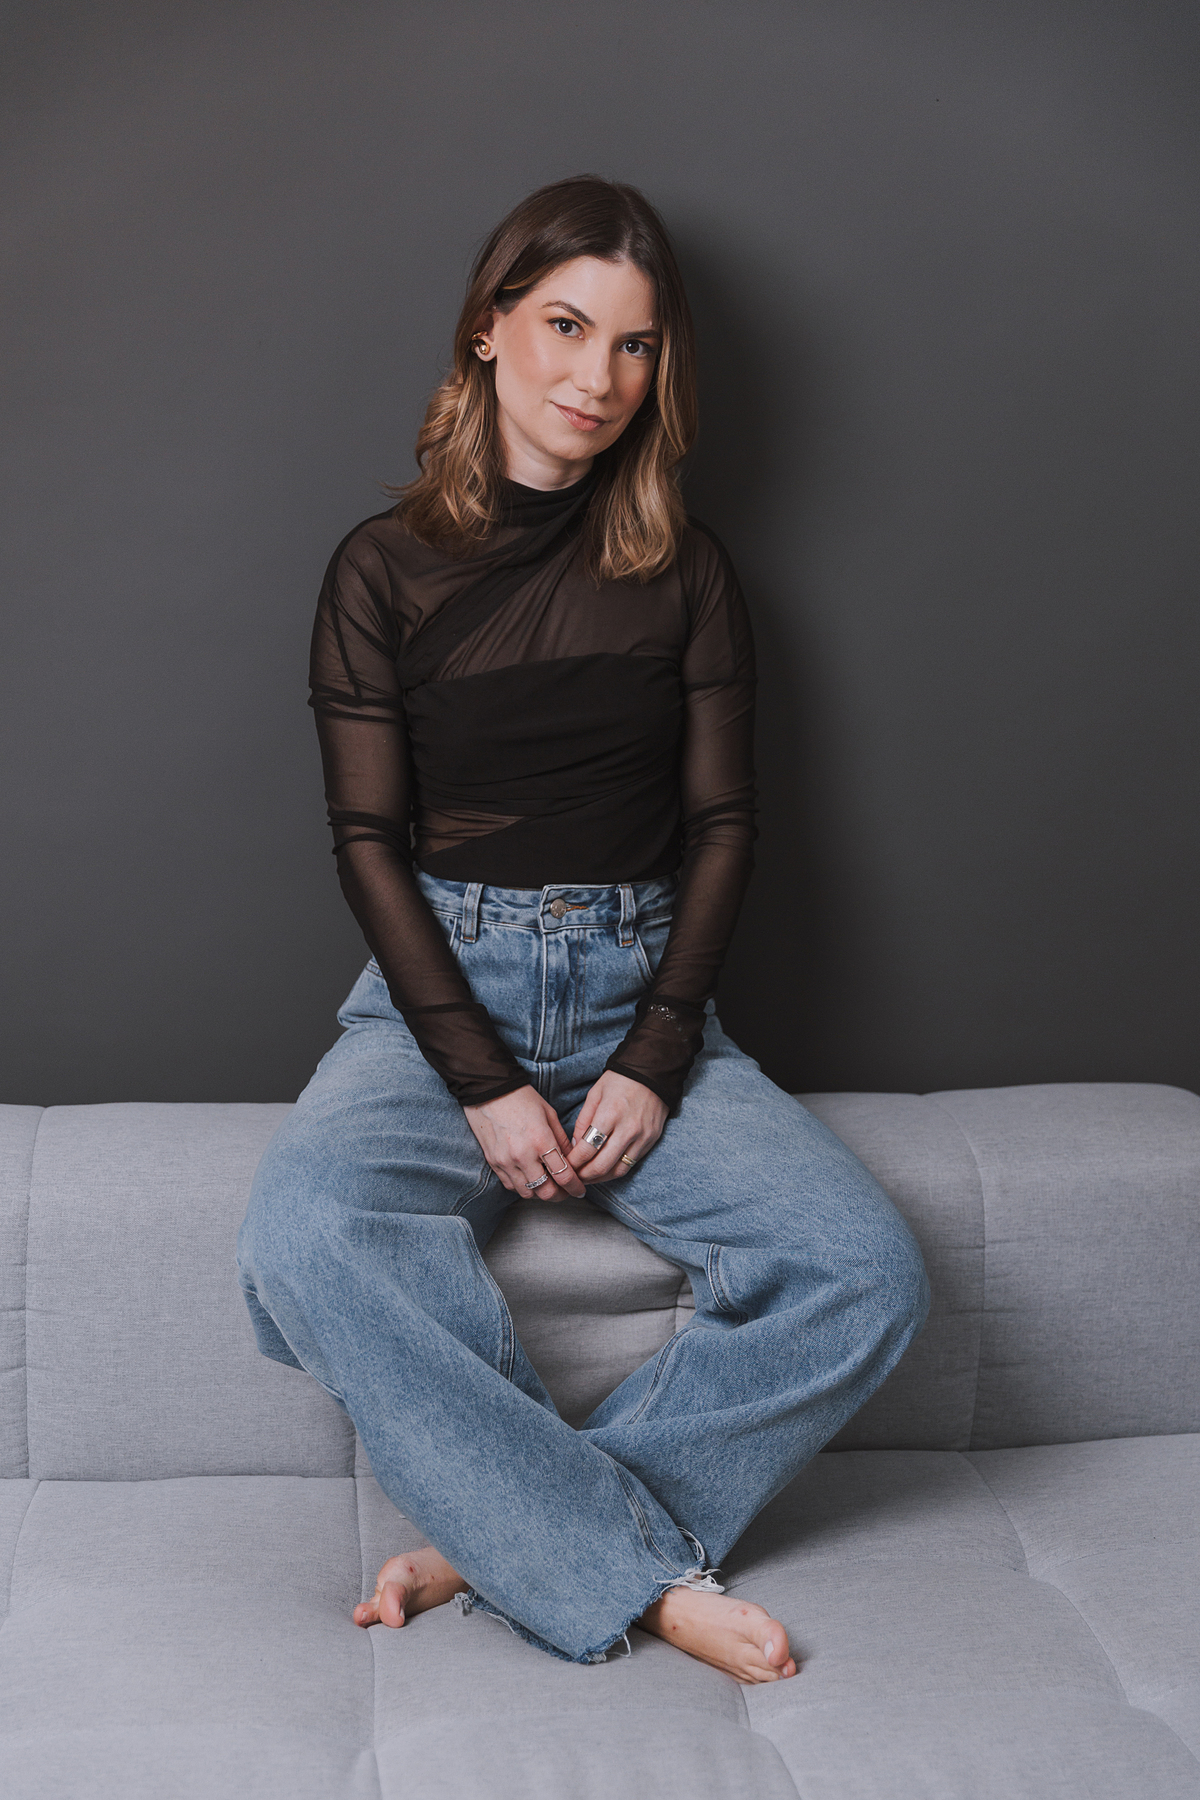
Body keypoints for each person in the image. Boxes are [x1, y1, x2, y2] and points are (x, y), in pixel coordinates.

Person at [236, 174, 929, 1684]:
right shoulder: (379, 569)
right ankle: (623, 1573)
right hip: (440, 993)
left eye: (634, 345)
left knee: (867, 1272)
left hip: (639, 987)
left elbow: (725, 826)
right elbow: (367, 845)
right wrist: (482, 1078)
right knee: (299, 1233)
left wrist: (659, 1050)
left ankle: (504, 1539)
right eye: (564, 325)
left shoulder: (689, 572)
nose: (596, 377)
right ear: (488, 330)